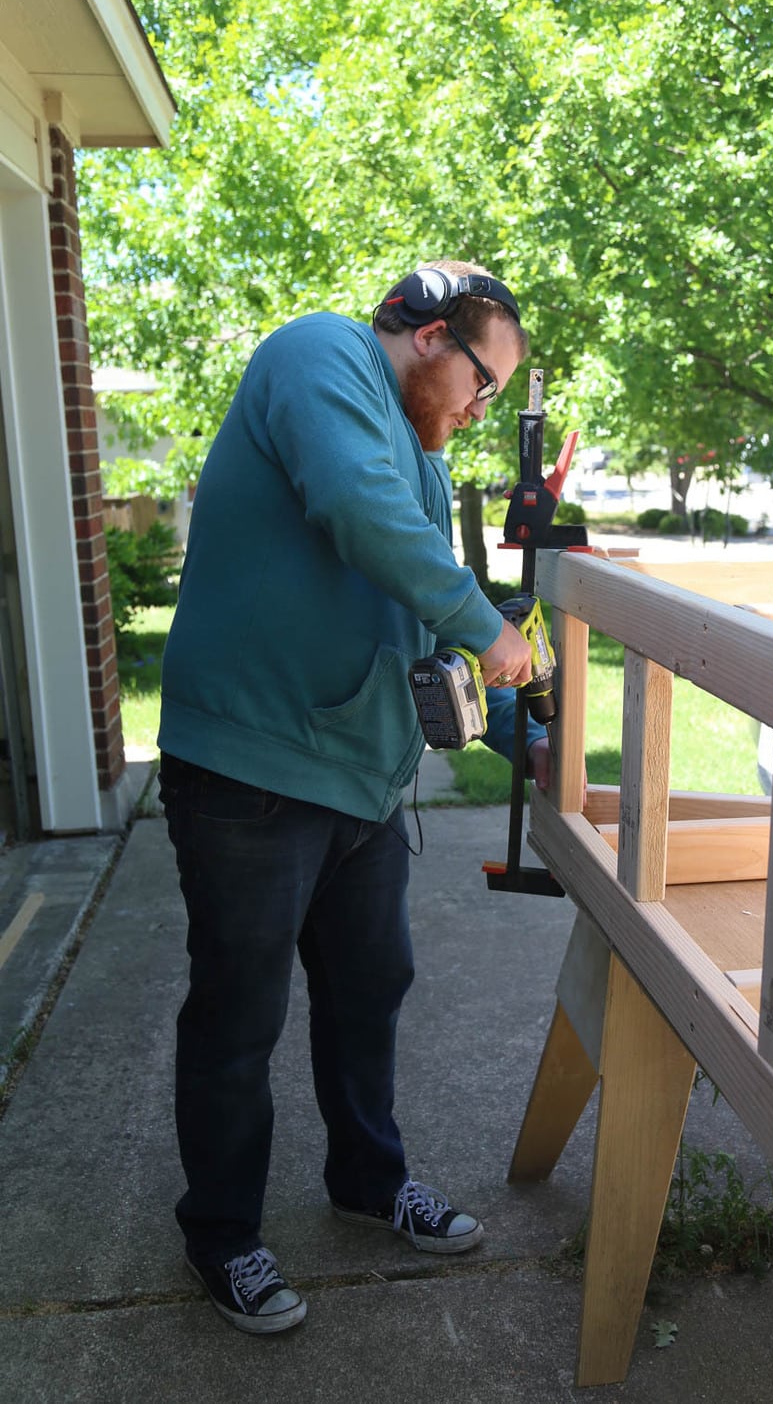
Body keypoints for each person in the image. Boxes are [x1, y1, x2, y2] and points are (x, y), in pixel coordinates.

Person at [157, 260, 550, 1334]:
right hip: (248, 767)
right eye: (483, 381)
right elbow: (354, 507)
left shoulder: (418, 460)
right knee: (239, 1015)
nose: (482, 409)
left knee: (370, 987)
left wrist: (535, 743)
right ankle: (224, 1235)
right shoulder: (318, 355)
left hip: (359, 783)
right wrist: (485, 620)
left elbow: (429, 617)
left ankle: (370, 1182)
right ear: (429, 337)